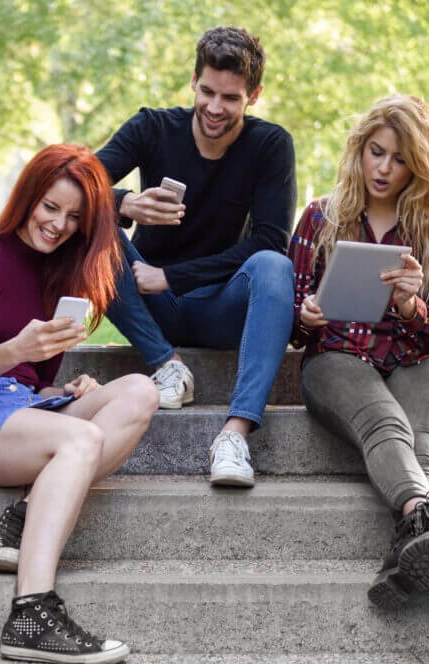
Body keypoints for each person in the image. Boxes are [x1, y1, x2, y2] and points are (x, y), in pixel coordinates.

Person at [0, 145, 159, 664]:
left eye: (74, 217)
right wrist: (16, 350)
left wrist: (65, 393)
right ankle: (31, 612)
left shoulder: (62, 277)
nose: (58, 225)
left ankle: (24, 515)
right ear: (28, 196)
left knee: (142, 390)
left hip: (21, 409)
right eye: (50, 207)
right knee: (82, 437)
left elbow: (34, 383)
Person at [287, 94, 429, 608]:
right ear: (360, 149)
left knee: (424, 444)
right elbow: (292, 319)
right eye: (376, 151)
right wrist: (306, 314)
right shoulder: (320, 218)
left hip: (415, 358)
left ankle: (412, 549)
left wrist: (409, 306)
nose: (384, 168)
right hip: (337, 359)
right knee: (386, 424)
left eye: (400, 158)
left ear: (418, 166)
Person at [96, 26, 296, 488]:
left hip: (218, 306)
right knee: (91, 219)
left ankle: (236, 432)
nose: (215, 107)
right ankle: (167, 366)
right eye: (207, 91)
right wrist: (123, 202)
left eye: (231, 97)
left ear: (254, 96)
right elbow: (67, 184)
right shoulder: (152, 127)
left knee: (273, 266)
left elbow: (269, 240)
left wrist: (172, 276)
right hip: (150, 311)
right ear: (193, 81)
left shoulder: (270, 146)